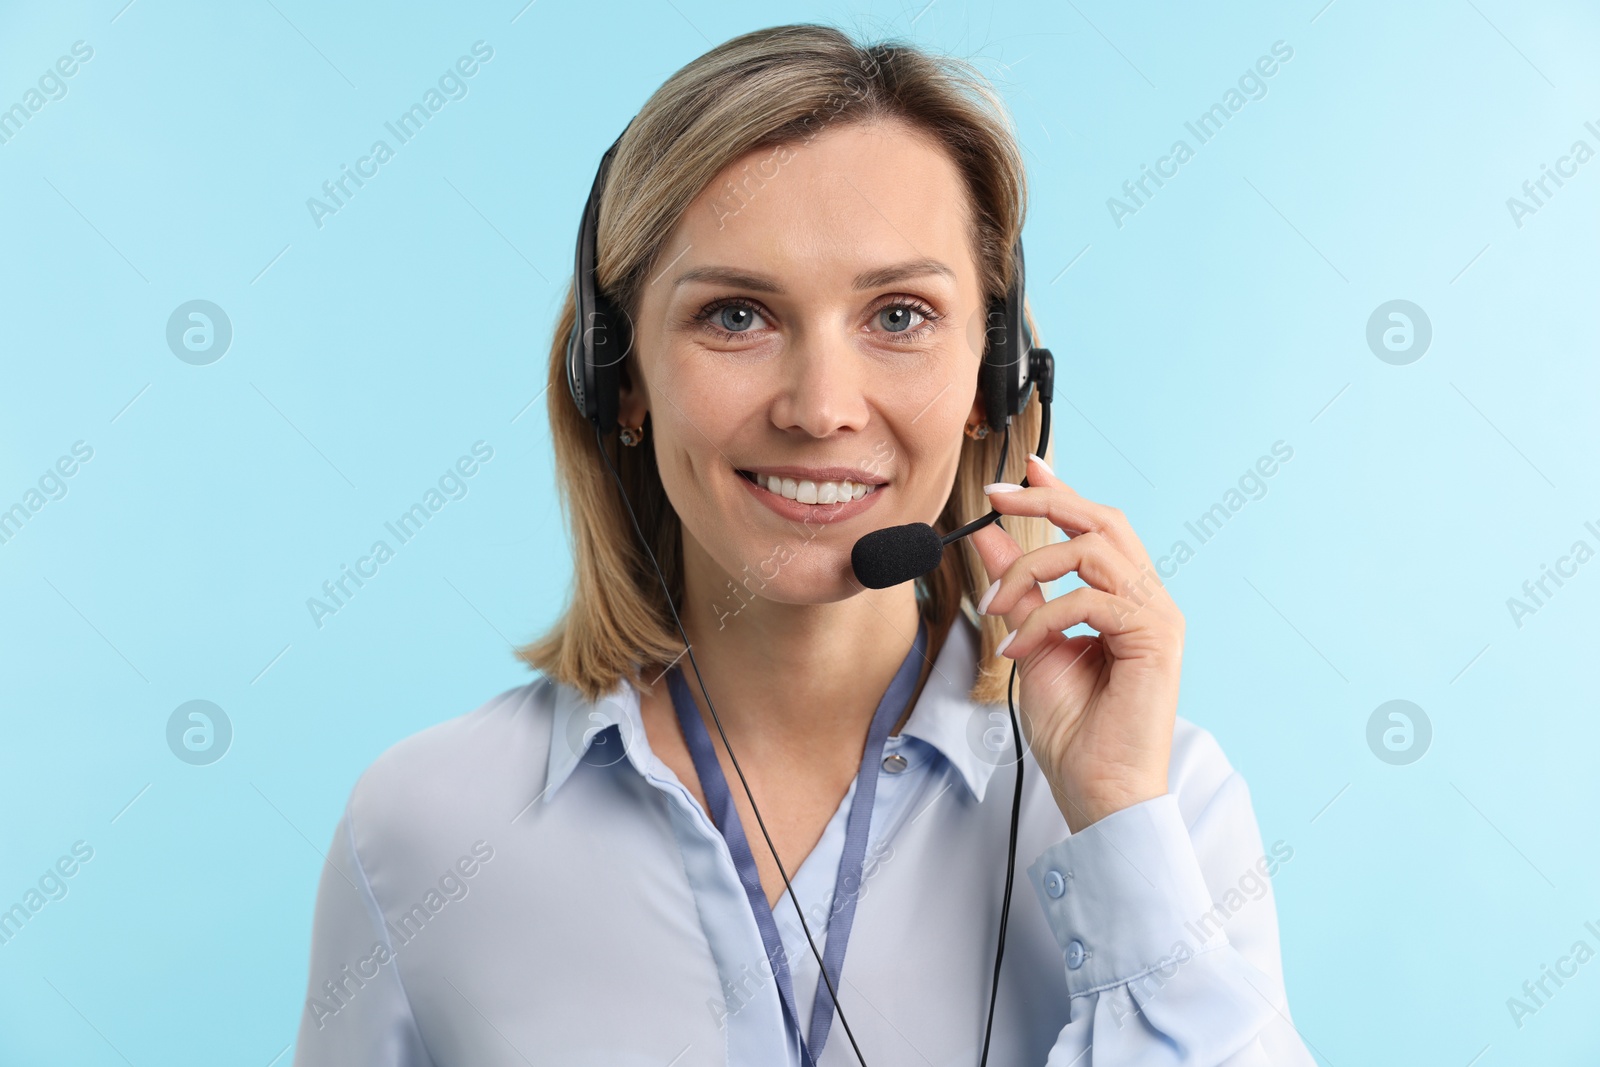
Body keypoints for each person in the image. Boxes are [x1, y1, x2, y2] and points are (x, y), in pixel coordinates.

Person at [292, 23, 1316, 1066]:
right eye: (735, 314)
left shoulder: (1163, 805)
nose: (821, 408)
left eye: (900, 314)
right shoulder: (422, 828)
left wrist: (1118, 830)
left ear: (991, 377)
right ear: (621, 376)